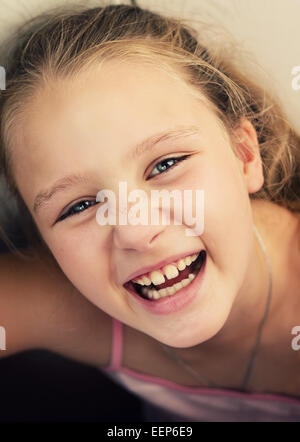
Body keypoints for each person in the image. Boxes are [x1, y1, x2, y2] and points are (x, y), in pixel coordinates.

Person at [0, 2, 300, 422]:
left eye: (165, 165)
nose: (137, 231)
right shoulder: (73, 305)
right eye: (81, 206)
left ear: (245, 155)